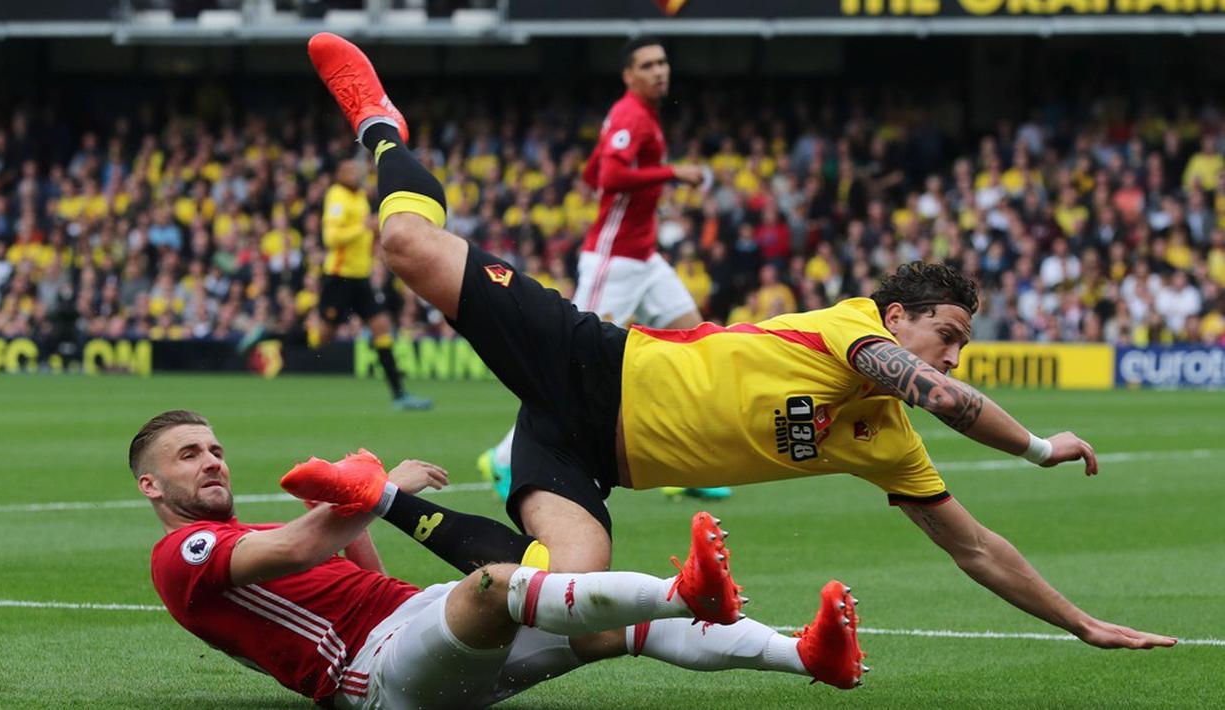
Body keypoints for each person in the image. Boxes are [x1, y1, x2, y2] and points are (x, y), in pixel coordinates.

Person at [307, 32, 1176, 652]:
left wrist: (1082, 623)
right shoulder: (853, 332)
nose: (949, 357)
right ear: (897, 318)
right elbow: (939, 394)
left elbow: (976, 547)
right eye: (943, 335)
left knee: (564, 598)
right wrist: (1035, 447)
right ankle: (381, 124)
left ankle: (379, 501)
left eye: (959, 345)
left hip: (582, 451)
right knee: (408, 247)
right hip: (595, 362)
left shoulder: (886, 443)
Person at [133, 410, 865, 709]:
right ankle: (685, 592)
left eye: (216, 449)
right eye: (189, 455)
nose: (212, 462)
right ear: (151, 484)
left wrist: (360, 500)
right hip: (370, 672)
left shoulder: (239, 535)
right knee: (492, 585)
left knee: (608, 631)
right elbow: (299, 545)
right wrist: (369, 492)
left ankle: (807, 656)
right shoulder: (183, 552)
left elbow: (355, 571)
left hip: (408, 628)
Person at [478, 36, 727, 502]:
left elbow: (596, 172)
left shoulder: (635, 114)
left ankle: (687, 463)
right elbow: (610, 177)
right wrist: (673, 173)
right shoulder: (632, 114)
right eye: (648, 65)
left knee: (698, 345)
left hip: (644, 257)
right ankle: (503, 456)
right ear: (629, 75)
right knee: (569, 360)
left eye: (663, 62)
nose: (660, 71)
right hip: (614, 261)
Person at [318, 158, 430, 410]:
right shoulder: (337, 196)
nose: (354, 173)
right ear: (338, 174)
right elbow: (331, 237)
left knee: (382, 327)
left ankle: (399, 394)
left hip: (361, 276)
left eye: (355, 169)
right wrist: (363, 227)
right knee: (321, 337)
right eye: (348, 169)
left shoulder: (359, 196)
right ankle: (273, 339)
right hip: (338, 277)